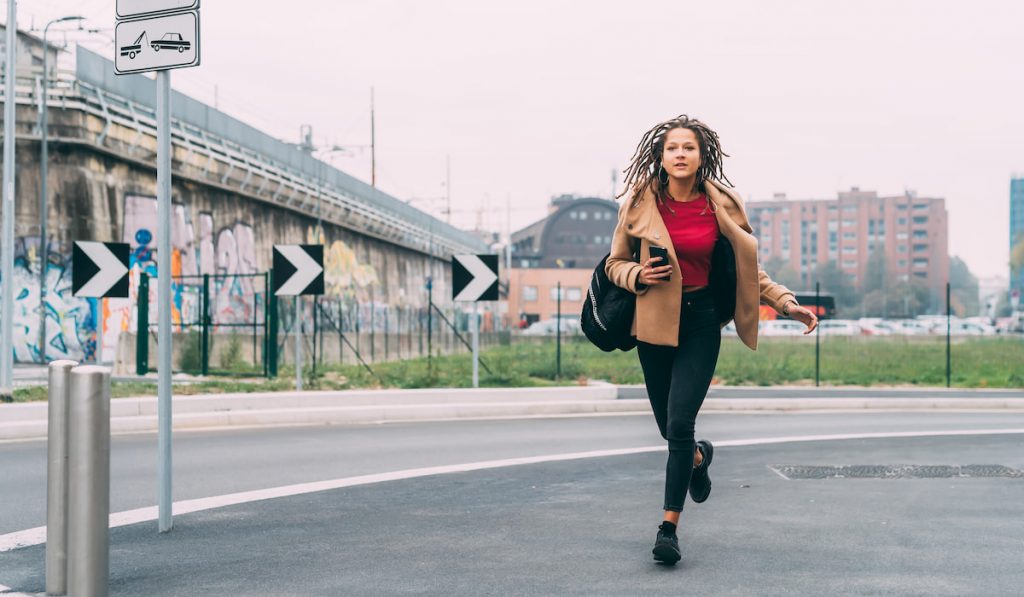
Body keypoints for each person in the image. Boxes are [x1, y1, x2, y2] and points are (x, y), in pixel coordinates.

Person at [605, 115, 818, 565]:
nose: (679, 154)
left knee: (679, 424)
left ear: (703, 156)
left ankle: (668, 527)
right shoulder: (640, 203)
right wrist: (637, 274)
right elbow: (613, 265)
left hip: (702, 323)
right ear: (660, 157)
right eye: (671, 148)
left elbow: (747, 268)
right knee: (670, 429)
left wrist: (785, 303)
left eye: (688, 147)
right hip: (655, 326)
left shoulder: (722, 204)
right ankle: (698, 459)